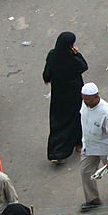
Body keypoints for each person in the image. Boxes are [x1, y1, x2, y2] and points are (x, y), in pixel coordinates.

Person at [42, 32, 89, 164]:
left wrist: (48, 78)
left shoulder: (52, 55)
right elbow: (83, 66)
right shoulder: (72, 58)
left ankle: (58, 152)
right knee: (75, 118)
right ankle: (78, 144)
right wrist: (77, 54)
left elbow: (47, 74)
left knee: (59, 121)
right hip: (74, 94)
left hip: (59, 95)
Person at [78, 82, 108, 210]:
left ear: (96, 96)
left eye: (88, 99)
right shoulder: (84, 104)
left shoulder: (106, 112)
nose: (86, 101)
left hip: (104, 145)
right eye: (84, 98)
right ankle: (93, 199)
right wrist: (84, 143)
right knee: (85, 171)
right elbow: (84, 124)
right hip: (89, 144)